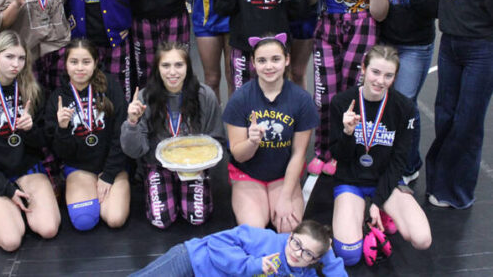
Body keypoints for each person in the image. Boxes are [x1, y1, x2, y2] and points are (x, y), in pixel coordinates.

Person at [305, 0, 388, 176]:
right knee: (324, 93)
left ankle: (344, 151)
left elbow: (380, 13)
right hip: (328, 23)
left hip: (362, 26)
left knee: (351, 92)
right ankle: (322, 150)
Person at [329, 45, 431, 266]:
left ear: (395, 77)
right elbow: (338, 156)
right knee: (349, 256)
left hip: (387, 180)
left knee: (422, 239)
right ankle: (364, 224)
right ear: (364, 68)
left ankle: (381, 212)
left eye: (388, 75)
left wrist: (377, 202)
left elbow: (399, 162)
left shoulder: (404, 108)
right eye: (375, 72)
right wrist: (348, 133)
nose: (380, 81)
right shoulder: (342, 103)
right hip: (351, 180)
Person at [0, 31, 60, 252]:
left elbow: (45, 140)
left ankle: (20, 208)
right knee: (11, 241)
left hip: (28, 168)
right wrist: (6, 189)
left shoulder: (31, 90)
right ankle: (5, 207)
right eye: (9, 57)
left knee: (48, 228)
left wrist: (31, 129)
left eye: (21, 58)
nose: (16, 64)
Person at [425, 0, 493, 209]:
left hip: (482, 49)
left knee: (468, 121)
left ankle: (459, 191)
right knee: (445, 115)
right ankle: (439, 182)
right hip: (450, 45)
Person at [120, 42, 225, 229]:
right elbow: (134, 151)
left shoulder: (205, 95)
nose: (172, 72)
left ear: (188, 67)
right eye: (166, 65)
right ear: (157, 69)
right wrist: (132, 122)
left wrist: (202, 165)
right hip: (158, 164)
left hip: (194, 166)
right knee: (161, 219)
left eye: (179, 65)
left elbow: (216, 139)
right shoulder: (145, 98)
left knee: (197, 216)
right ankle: (158, 183)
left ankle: (187, 188)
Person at [222, 34, 318, 232]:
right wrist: (252, 142)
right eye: (262, 60)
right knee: (255, 232)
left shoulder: (302, 100)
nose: (269, 66)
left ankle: (281, 198)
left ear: (287, 60)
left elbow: (299, 154)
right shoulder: (240, 99)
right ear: (253, 63)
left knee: (289, 228)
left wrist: (285, 197)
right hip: (248, 174)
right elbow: (239, 155)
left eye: (276, 59)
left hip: (283, 176)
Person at [379, 0, 444, 184]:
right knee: (384, 101)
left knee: (405, 105)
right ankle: (388, 157)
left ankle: (408, 164)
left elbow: (438, 10)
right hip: (384, 42)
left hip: (415, 45)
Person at [45, 39, 130, 231]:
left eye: (86, 62)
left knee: (115, 219)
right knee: (84, 222)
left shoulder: (110, 87)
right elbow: (61, 152)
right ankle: (87, 193)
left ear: (95, 63)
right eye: (74, 62)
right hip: (79, 168)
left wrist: (108, 175)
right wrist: (63, 128)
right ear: (65, 65)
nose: (80, 68)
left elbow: (121, 134)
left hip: (112, 167)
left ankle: (109, 191)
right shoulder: (58, 98)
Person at [129, 220, 347, 277]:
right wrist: (252, 265)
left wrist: (328, 255)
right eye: (296, 243)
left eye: (307, 253)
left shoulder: (303, 272)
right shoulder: (266, 240)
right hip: (193, 260)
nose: (297, 253)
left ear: (314, 260)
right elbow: (216, 242)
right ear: (290, 236)